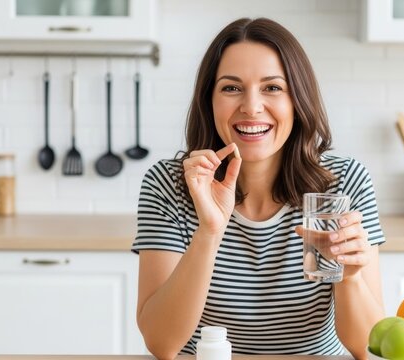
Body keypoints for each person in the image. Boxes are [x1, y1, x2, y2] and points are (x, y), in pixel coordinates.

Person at [132, 17, 385, 360]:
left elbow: (367, 346)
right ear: (210, 100)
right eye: (231, 88)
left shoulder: (343, 183)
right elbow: (162, 344)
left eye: (272, 88)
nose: (251, 106)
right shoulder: (170, 185)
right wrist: (209, 230)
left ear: (298, 100)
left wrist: (351, 278)